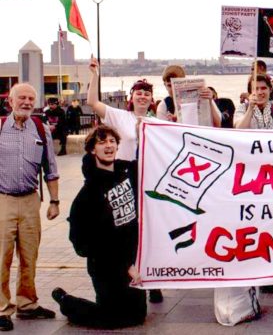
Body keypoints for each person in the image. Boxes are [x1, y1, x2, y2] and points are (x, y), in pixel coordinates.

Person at [52, 125, 146, 329]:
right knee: (113, 318)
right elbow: (82, 242)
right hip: (106, 267)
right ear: (93, 150)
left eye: (112, 141)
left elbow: (152, 159)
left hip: (130, 261)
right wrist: (124, 266)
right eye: (102, 142)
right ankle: (66, 301)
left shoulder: (126, 174)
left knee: (137, 316)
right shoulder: (88, 194)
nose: (108, 145)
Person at [86, 57, 162, 303]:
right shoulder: (119, 116)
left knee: (148, 227)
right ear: (132, 96)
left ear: (152, 99)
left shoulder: (157, 122)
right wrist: (95, 75)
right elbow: (92, 102)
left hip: (148, 174)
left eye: (146, 94)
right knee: (127, 225)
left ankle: (152, 278)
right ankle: (128, 270)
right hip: (125, 172)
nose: (142, 97)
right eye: (139, 93)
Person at [0, 83, 60, 331]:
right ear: (10, 101)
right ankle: (2, 308)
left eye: (30, 98)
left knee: (29, 255)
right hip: (3, 200)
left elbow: (51, 167)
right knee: (1, 257)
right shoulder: (0, 127)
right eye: (21, 98)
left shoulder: (40, 128)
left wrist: (54, 201)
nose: (26, 102)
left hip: (31, 200)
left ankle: (27, 304)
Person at [156, 65, 221, 126]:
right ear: (165, 85)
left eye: (176, 85)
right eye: (169, 85)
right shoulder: (164, 106)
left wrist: (210, 101)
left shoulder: (203, 96)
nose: (173, 89)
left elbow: (218, 125)